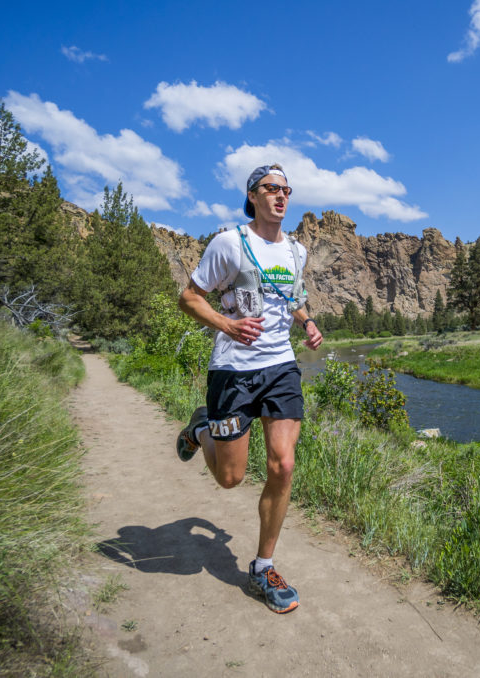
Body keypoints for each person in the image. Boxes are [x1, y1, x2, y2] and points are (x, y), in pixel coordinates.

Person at [176, 164, 323, 613]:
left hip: (280, 366)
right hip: (233, 371)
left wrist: (308, 321)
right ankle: (201, 428)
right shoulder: (230, 244)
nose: (281, 195)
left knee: (283, 465)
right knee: (230, 478)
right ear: (253, 196)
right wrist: (227, 324)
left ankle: (263, 567)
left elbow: (290, 296)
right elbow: (189, 297)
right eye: (271, 188)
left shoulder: (297, 251)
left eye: (286, 189)